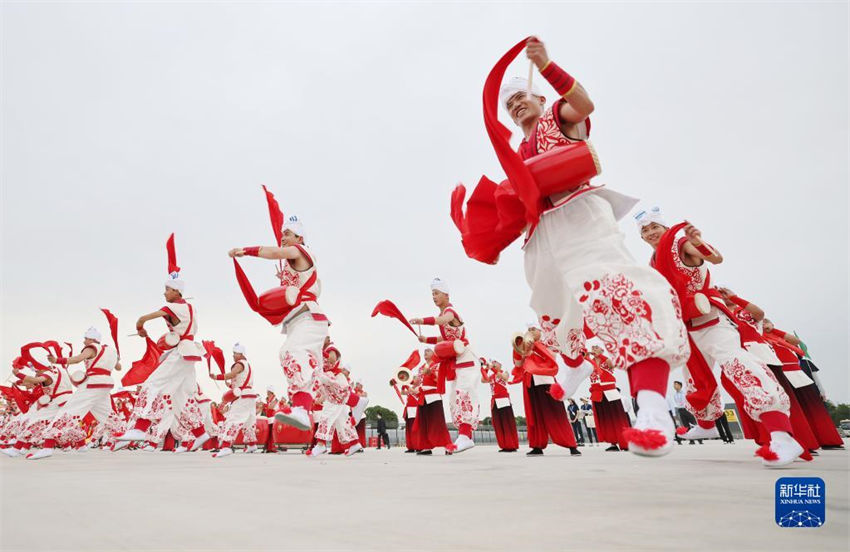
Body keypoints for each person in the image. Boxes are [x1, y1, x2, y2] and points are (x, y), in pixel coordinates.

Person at [453, 37, 690, 457]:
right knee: (555, 317)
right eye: (509, 105)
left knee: (618, 298)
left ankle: (653, 410)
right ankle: (575, 363)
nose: (516, 106)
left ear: (540, 97)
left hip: (579, 216)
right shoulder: (516, 150)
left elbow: (583, 104)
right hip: (541, 235)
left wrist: (546, 65)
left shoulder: (556, 119)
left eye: (522, 98)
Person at [638, 209, 805, 467]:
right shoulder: (653, 261)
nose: (649, 233)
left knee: (740, 367)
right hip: (685, 325)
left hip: (711, 320)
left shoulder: (678, 244)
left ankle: (782, 436)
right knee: (695, 378)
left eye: (653, 227)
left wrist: (698, 241)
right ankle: (706, 424)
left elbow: (715, 258)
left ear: (663, 226)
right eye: (644, 230)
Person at [229, 216, 327, 432]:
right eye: (283, 234)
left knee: (290, 353)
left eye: (287, 234)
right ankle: (351, 401)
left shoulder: (300, 250)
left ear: (299, 238)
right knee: (315, 372)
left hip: (310, 319)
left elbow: (274, 253)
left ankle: (301, 410)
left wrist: (245, 250)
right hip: (300, 321)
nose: (283, 238)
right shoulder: (294, 261)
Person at [116, 251, 211, 452]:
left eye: (167, 289)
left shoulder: (175, 307)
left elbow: (145, 317)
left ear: (177, 292)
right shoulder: (187, 307)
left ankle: (140, 428)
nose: (165, 293)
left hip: (182, 352)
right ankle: (200, 433)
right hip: (188, 352)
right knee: (182, 397)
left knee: (153, 383)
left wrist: (140, 326)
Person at [27, 325, 121, 460]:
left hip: (92, 384)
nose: (84, 341)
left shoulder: (91, 348)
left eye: (86, 339)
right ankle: (123, 436)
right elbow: (118, 367)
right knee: (107, 414)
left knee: (68, 412)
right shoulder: (111, 351)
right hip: (106, 384)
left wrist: (57, 360)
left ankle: (47, 447)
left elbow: (78, 358)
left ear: (92, 339)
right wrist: (117, 358)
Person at [409, 278, 480, 453]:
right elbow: (444, 338)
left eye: (437, 293)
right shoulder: (444, 316)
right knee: (456, 398)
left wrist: (422, 320)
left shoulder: (450, 312)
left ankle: (464, 436)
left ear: (446, 295)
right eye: (432, 294)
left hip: (466, 358)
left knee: (463, 394)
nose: (434, 297)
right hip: (457, 361)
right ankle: (466, 436)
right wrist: (426, 339)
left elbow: (443, 321)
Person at [511, 325, 580, 456]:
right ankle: (537, 445)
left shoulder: (547, 344)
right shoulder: (524, 345)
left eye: (533, 329)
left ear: (540, 332)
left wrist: (534, 348)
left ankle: (571, 444)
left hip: (545, 380)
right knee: (535, 415)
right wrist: (518, 350)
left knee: (556, 413)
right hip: (530, 381)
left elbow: (552, 358)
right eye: (529, 329)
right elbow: (518, 365)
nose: (530, 331)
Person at [208, 343, 258, 458]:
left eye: (235, 353)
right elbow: (241, 381)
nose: (233, 356)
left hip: (243, 396)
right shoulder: (248, 365)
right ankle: (252, 444)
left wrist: (217, 377)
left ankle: (226, 446)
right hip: (250, 395)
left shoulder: (239, 364)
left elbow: (232, 374)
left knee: (233, 419)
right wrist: (231, 386)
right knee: (249, 421)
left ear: (241, 354)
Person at [410, 349, 455, 455]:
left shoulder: (438, 365)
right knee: (423, 423)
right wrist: (405, 379)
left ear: (434, 354)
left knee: (438, 423)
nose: (425, 352)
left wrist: (431, 373)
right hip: (423, 397)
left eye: (428, 351)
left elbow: (439, 380)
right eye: (424, 351)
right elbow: (417, 382)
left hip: (434, 397)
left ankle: (448, 446)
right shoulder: (421, 368)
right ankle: (425, 447)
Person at [483, 359, 519, 452]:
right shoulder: (491, 376)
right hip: (495, 401)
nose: (494, 364)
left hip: (503, 400)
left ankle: (511, 444)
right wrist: (485, 369)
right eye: (493, 362)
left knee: (507, 423)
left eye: (495, 362)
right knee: (498, 424)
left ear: (500, 365)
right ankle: (504, 445)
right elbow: (483, 380)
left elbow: (504, 377)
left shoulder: (504, 373)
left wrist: (492, 369)